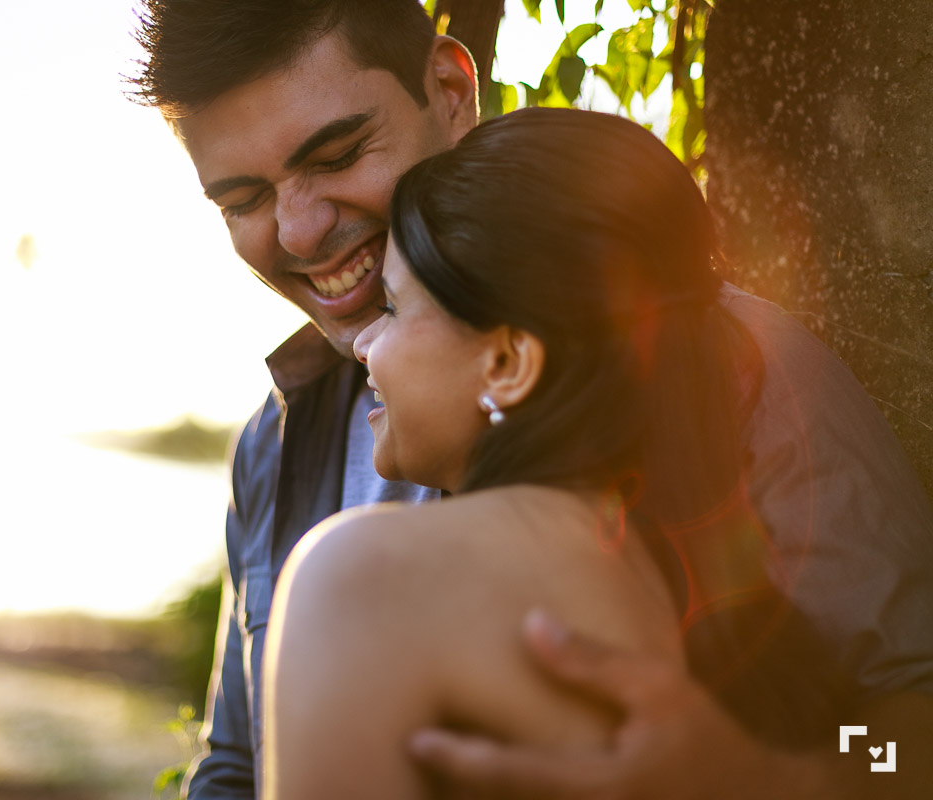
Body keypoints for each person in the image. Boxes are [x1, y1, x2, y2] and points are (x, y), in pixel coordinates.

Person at [125, 1, 933, 798]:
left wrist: (779, 775)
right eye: (243, 200)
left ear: (447, 90)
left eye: (337, 154)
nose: (299, 232)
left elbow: (909, 730)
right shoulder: (278, 443)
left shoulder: (738, 369)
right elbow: (235, 769)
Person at [264, 106, 851, 799]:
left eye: (390, 308)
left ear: (509, 361)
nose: (362, 345)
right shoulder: (718, 605)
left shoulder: (361, 577)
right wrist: (789, 776)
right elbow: (884, 750)